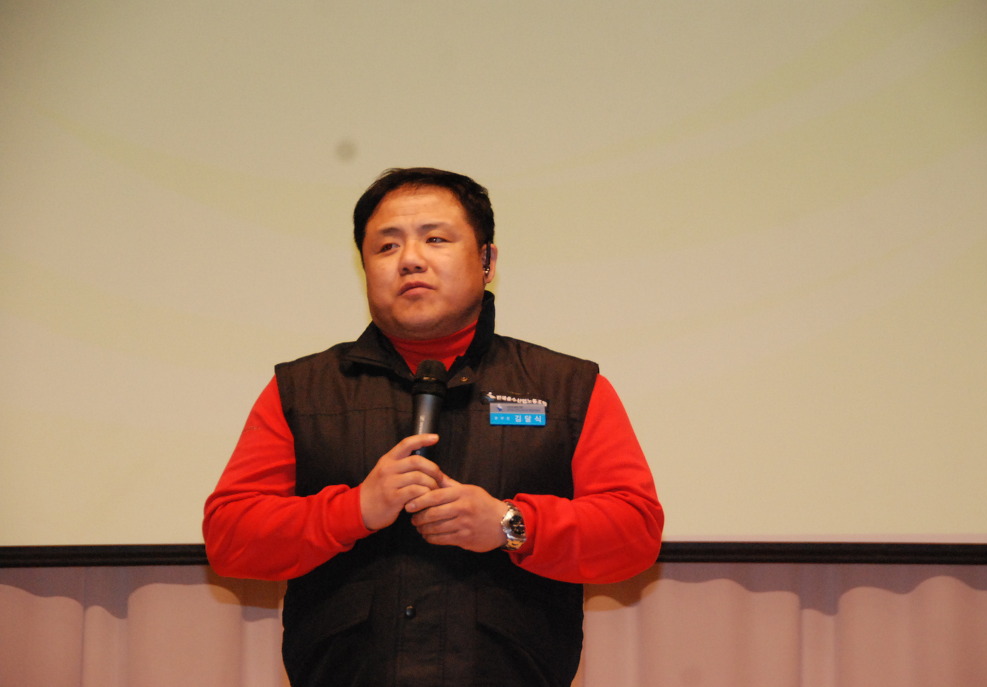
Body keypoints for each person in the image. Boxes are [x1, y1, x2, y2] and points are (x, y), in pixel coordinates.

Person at [203, 167, 664, 687]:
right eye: (386, 246)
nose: (410, 259)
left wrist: (509, 524)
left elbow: (635, 532)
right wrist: (353, 511)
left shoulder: (567, 387)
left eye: (436, 239)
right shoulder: (302, 390)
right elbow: (230, 536)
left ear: (487, 261)